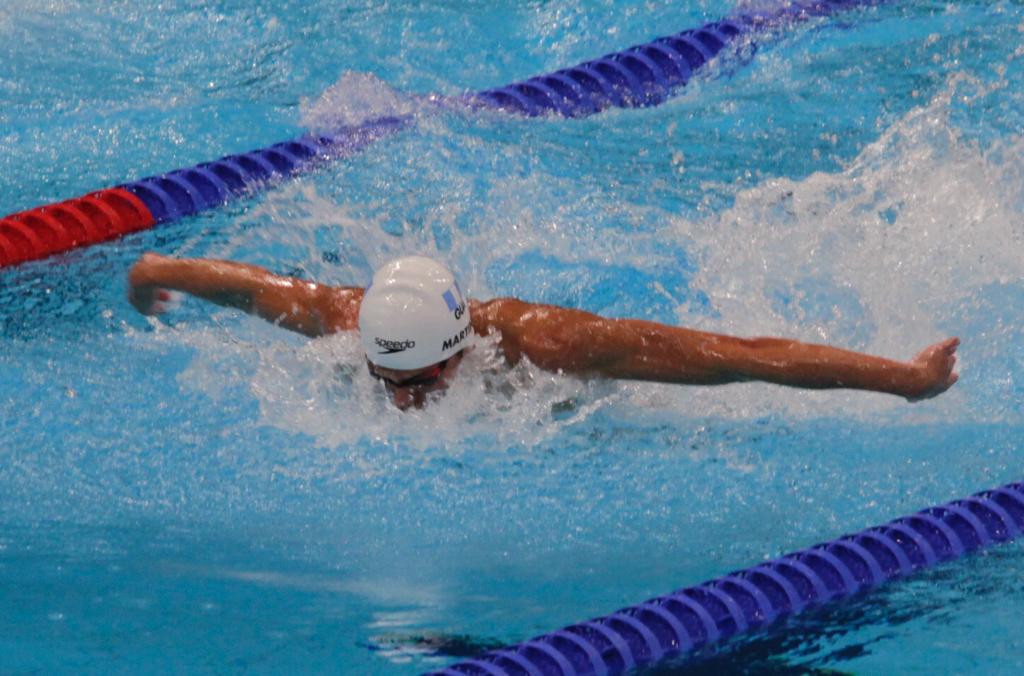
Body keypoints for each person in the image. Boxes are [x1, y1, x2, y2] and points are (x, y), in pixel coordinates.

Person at [127, 253, 959, 410]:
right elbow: (228, 283)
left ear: (461, 350)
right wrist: (146, 277)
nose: (406, 402)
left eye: (423, 383)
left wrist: (904, 378)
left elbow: (744, 360)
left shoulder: (556, 345)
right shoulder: (347, 320)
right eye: (391, 383)